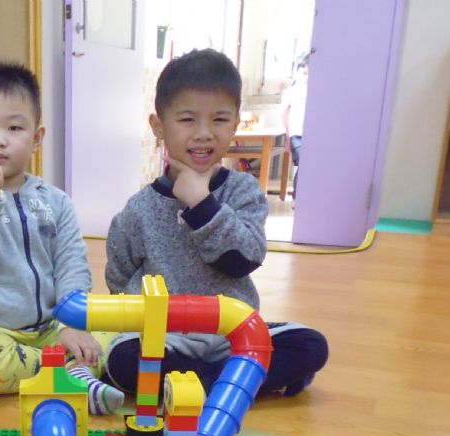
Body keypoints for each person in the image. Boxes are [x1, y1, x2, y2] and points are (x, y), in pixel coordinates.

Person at [104, 49, 328, 397]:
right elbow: (119, 276)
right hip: (167, 338)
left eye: (220, 119)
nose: (204, 133)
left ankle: (198, 385)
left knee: (310, 345)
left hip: (234, 334)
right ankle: (233, 383)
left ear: (235, 124)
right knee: (121, 358)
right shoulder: (139, 209)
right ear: (158, 126)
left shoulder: (243, 191)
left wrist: (201, 204)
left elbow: (243, 259)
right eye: (187, 120)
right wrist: (143, 320)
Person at [0, 61, 124, 415]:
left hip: (52, 326)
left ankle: (69, 366)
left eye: (14, 127)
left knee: (116, 337)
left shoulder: (56, 201)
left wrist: (71, 324)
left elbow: (72, 266)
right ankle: (72, 374)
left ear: (37, 138)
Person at [282, 53, 309, 199]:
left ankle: (300, 196)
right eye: (304, 73)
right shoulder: (292, 91)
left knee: (308, 166)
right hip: (296, 134)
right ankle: (297, 198)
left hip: (311, 135)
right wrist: (287, 137)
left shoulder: (317, 91)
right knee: (304, 164)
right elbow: (284, 114)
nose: (307, 77)